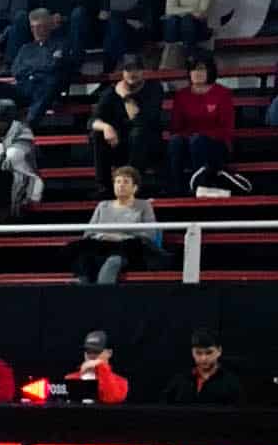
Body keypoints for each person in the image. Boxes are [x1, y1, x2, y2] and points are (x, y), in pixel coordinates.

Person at [75, 166, 168, 285]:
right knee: (83, 257)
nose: (121, 185)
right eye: (118, 181)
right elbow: (88, 233)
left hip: (128, 251)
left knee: (113, 261)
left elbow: (149, 234)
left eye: (126, 182)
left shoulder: (143, 206)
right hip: (102, 247)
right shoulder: (103, 206)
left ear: (135, 187)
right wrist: (101, 236)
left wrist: (119, 238)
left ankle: (101, 296)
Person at [90, 54, 164, 197]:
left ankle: (133, 185)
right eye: (128, 70)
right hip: (119, 143)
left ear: (143, 71)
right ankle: (104, 187)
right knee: (97, 134)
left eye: (136, 69)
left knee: (139, 133)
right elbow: (93, 120)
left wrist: (126, 97)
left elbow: (143, 120)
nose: (132, 74)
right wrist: (106, 127)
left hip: (147, 145)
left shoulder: (154, 89)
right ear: (123, 73)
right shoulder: (110, 92)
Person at [0, 7, 69, 128]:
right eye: (32, 27)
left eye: (40, 26)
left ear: (49, 25)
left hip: (44, 89)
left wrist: (31, 68)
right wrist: (37, 68)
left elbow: (54, 66)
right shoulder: (26, 48)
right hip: (24, 88)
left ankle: (28, 123)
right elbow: (16, 70)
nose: (36, 31)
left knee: (51, 82)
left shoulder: (60, 45)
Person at [166, 51, 235, 195]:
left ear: (210, 71)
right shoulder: (181, 95)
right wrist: (189, 137)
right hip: (188, 142)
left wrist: (199, 135)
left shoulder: (223, 94)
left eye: (202, 69)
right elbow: (175, 127)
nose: (197, 73)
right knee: (175, 141)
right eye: (194, 69)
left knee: (197, 141)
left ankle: (201, 187)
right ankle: (176, 189)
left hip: (216, 145)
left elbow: (225, 130)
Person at [161, 332, 246, 405]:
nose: (203, 358)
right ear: (192, 353)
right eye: (198, 353)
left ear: (219, 351)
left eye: (209, 352)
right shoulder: (179, 381)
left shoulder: (231, 383)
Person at [66, 329, 129, 403]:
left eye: (96, 351)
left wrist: (101, 366)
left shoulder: (121, 382)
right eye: (88, 351)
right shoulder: (70, 378)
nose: (91, 355)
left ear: (109, 353)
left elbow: (111, 398)